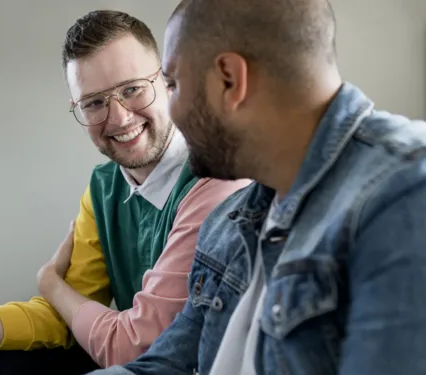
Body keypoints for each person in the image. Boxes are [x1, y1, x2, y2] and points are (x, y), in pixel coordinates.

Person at [0, 10, 248, 375]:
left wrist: (50, 282)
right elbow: (64, 316)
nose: (119, 118)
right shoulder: (104, 187)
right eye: (94, 102)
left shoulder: (212, 178)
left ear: (166, 81)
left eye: (132, 89)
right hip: (132, 356)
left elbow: (134, 347)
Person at [88, 0, 426, 375]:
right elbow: (163, 366)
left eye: (174, 84)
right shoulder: (228, 224)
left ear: (229, 79)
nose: (172, 110)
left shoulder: (405, 193)